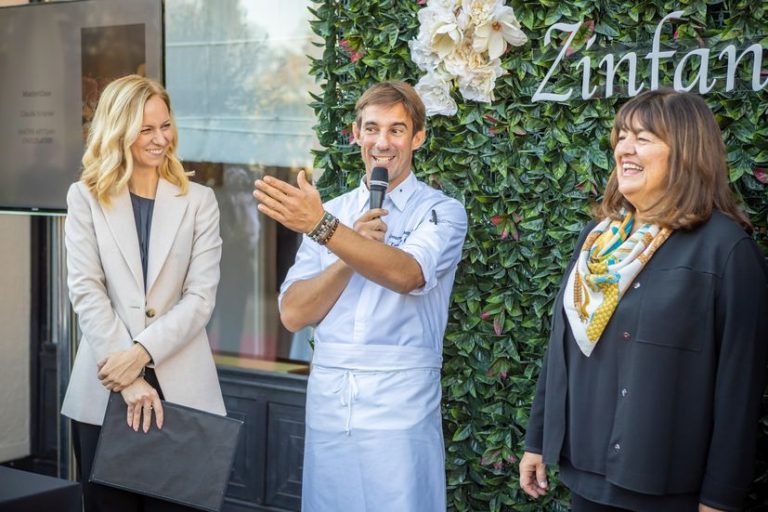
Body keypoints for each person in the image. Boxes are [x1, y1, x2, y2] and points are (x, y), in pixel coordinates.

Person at [519, 88, 768, 512]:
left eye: (643, 138)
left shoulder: (725, 251)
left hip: (668, 489)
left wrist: (720, 497)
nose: (624, 149)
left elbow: (739, 388)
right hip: (587, 476)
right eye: (621, 137)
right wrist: (539, 440)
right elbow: (563, 348)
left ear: (685, 152)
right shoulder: (597, 241)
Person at [253, 80, 468, 511]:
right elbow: (293, 314)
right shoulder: (329, 212)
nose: (382, 143)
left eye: (396, 130)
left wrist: (327, 232)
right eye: (372, 129)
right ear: (356, 134)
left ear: (418, 138)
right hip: (331, 400)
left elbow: (407, 274)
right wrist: (347, 251)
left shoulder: (441, 211)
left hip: (401, 401)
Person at [61, 74, 225, 512]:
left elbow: (200, 299)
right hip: (105, 390)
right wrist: (129, 378)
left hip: (183, 392)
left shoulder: (199, 201)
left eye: (165, 125)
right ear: (119, 131)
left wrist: (140, 354)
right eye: (146, 129)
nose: (161, 139)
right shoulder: (85, 198)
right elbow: (86, 289)